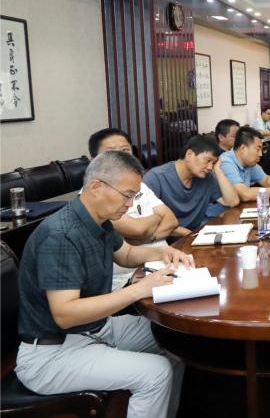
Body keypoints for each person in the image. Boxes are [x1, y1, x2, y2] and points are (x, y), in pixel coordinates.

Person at [14, 151, 191, 418]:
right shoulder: (61, 235)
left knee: (175, 340)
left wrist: (163, 252)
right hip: (51, 353)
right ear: (96, 187)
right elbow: (65, 314)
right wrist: (141, 289)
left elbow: (127, 254)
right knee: (156, 373)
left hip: (95, 330)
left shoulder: (99, 221)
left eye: (134, 196)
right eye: (127, 195)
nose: (130, 205)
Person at [88, 128, 185, 290]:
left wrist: (152, 238)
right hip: (127, 279)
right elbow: (137, 230)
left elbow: (171, 220)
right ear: (94, 161)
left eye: (125, 150)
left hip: (160, 264)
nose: (121, 157)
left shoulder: (139, 185)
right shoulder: (94, 197)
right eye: (111, 152)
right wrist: (157, 217)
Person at [144, 135, 239, 231]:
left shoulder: (207, 178)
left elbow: (233, 202)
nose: (210, 167)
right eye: (208, 160)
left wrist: (218, 170)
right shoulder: (156, 178)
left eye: (213, 163)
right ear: (189, 154)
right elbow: (146, 221)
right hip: (167, 237)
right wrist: (187, 235)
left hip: (194, 234)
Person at [219, 126, 270, 201]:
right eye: (258, 149)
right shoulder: (226, 163)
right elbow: (245, 194)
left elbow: (266, 180)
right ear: (243, 148)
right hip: (224, 210)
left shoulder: (249, 162)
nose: (260, 154)